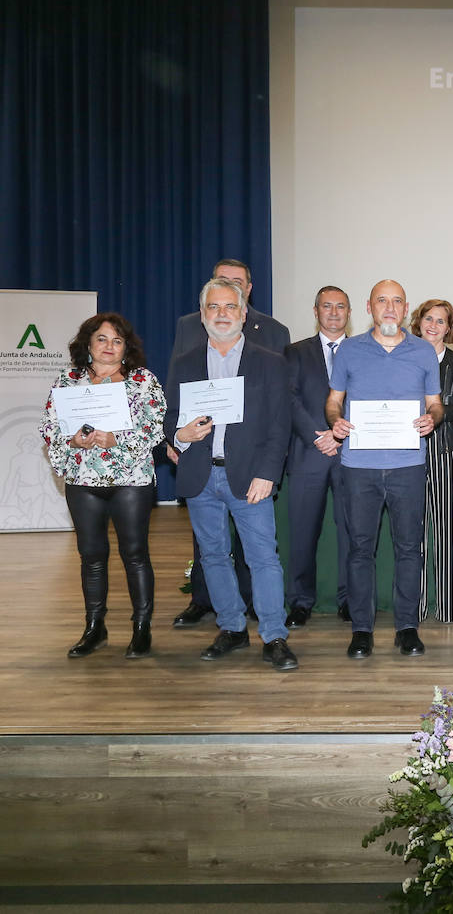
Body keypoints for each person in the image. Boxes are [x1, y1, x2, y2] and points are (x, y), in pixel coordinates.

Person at [164, 278, 296, 671]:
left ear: (243, 313)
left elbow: (279, 424)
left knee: (263, 559)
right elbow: (170, 417)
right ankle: (232, 628)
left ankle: (274, 635)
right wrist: (180, 434)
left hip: (250, 478)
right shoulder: (184, 362)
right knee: (214, 557)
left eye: (229, 307)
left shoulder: (269, 360)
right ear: (203, 315)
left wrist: (268, 474)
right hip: (200, 475)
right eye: (214, 308)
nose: (222, 315)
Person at [326, 280, 443, 660]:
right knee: (360, 549)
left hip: (409, 465)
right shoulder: (349, 350)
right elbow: (333, 401)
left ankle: (407, 628)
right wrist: (336, 421)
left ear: (406, 307)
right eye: (382, 301)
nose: (389, 307)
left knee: (409, 549)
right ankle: (362, 630)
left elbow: (436, 403)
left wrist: (432, 419)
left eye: (396, 301)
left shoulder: (424, 351)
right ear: (369, 307)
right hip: (359, 467)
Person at [40, 313, 166, 659]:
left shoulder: (143, 381)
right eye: (102, 339)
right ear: (88, 344)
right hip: (83, 481)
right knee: (91, 556)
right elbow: (49, 428)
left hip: (131, 481)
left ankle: (142, 628)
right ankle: (95, 627)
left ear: (126, 347)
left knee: (135, 555)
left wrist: (115, 439)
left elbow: (155, 428)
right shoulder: (68, 380)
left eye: (117, 340)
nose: (109, 346)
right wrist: (73, 441)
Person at [284, 286, 353, 628]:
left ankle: (348, 600)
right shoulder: (294, 352)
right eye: (327, 306)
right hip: (307, 454)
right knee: (301, 533)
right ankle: (300, 601)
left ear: (350, 313)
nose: (334, 312)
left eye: (341, 307)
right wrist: (320, 436)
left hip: (351, 455)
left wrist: (340, 435)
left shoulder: (362, 352)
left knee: (351, 532)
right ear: (316, 312)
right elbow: (289, 400)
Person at [411, 298, 453, 623]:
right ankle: (416, 607)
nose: (434, 325)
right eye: (429, 319)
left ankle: (449, 606)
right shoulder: (402, 357)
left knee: (449, 531)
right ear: (419, 321)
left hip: (447, 452)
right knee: (413, 533)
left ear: (449, 328)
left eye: (441, 321)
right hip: (406, 454)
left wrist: (437, 414)